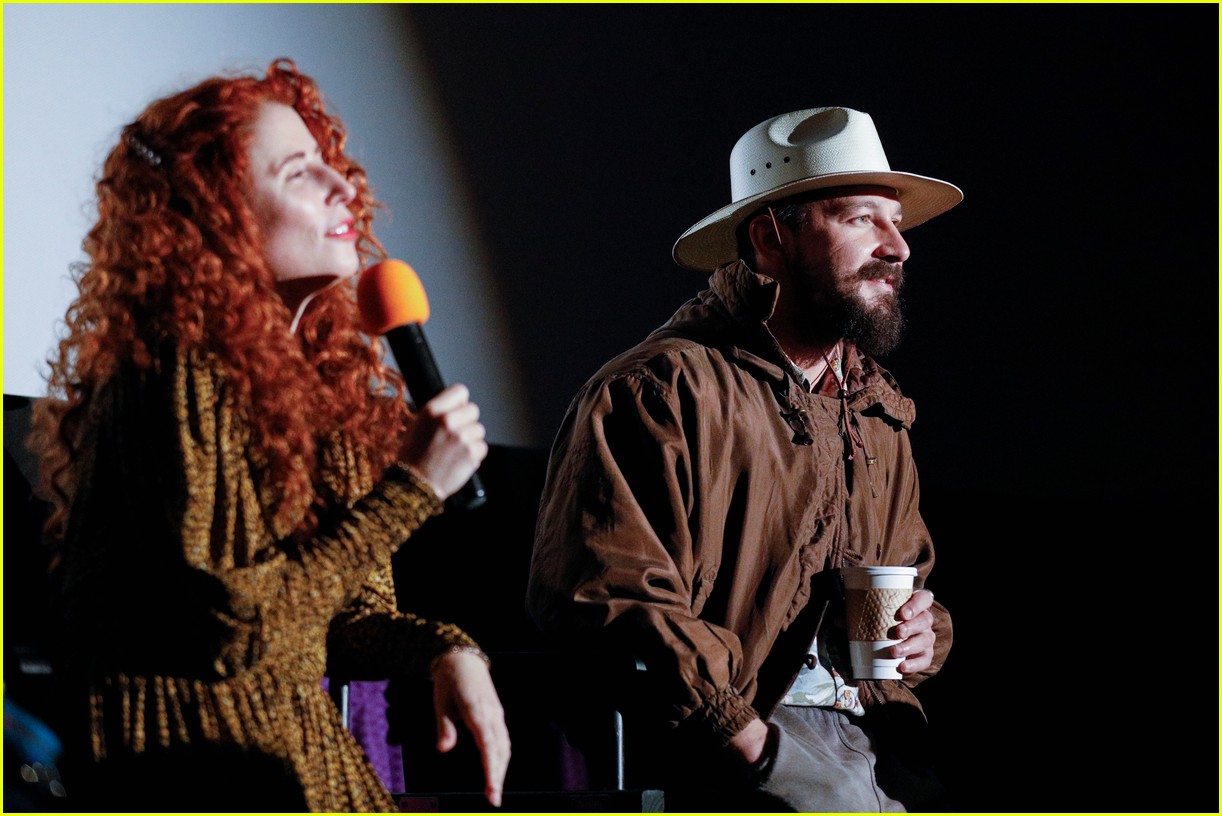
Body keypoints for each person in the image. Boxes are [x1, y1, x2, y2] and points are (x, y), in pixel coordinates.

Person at [29, 58, 510, 812]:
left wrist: (444, 650)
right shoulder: (173, 374)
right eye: (299, 173)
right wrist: (411, 491)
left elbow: (345, 618)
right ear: (216, 215)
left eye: (331, 164)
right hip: (189, 770)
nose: (343, 186)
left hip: (292, 756)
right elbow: (235, 632)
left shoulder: (322, 388)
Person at [527, 107, 960, 811]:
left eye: (896, 222)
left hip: (884, 740)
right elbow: (604, 597)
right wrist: (750, 745)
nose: (897, 247)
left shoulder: (879, 411)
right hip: (739, 745)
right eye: (860, 219)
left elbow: (909, 582)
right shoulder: (661, 391)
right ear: (770, 240)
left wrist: (921, 632)